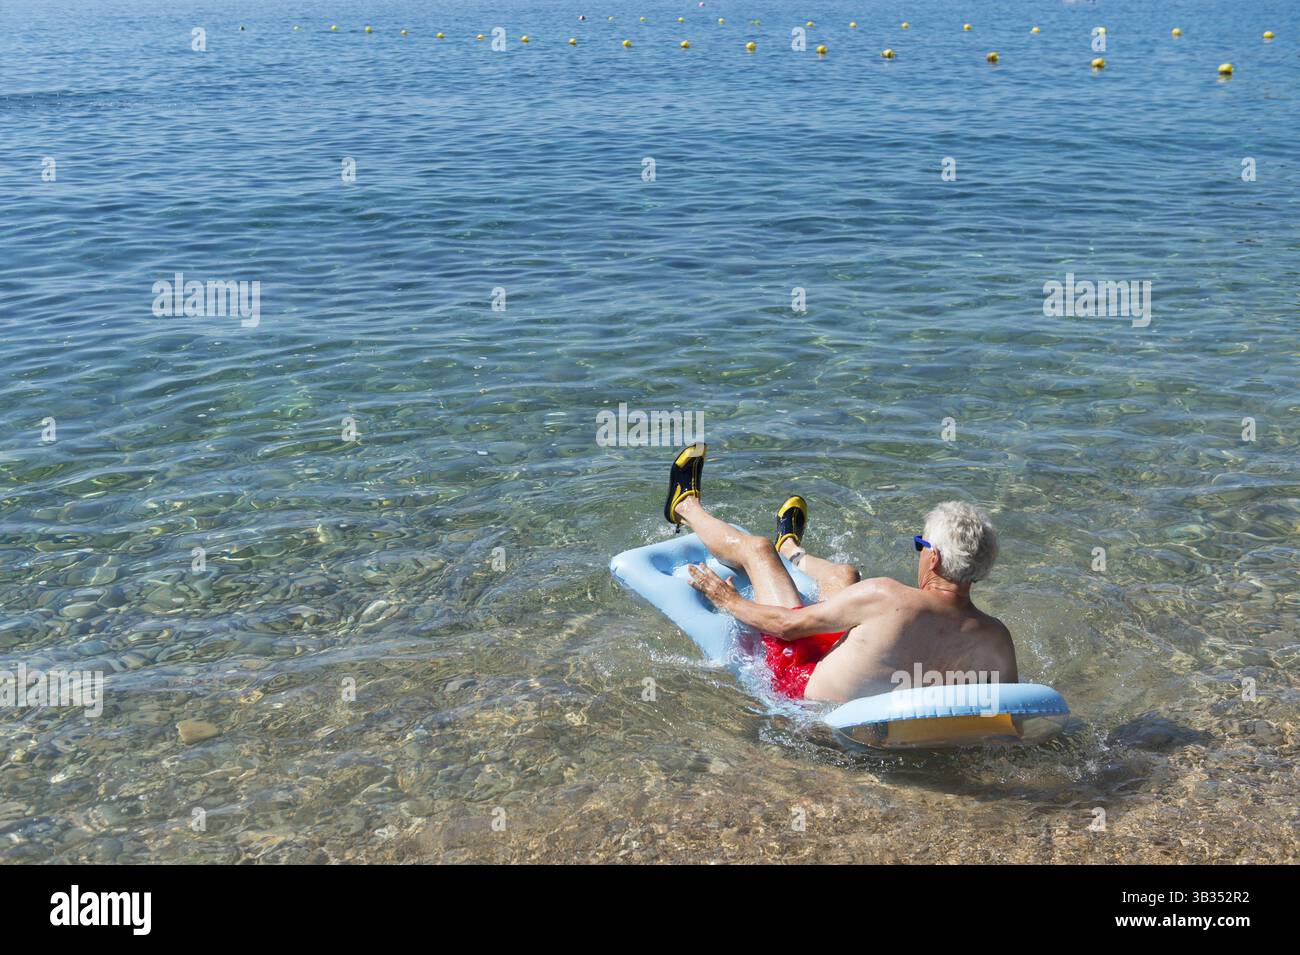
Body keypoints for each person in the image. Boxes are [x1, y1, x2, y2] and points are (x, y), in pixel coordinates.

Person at [663, 443, 1018, 703]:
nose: (919, 553)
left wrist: (730, 600)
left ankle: (684, 505)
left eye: (919, 544)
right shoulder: (997, 639)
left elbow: (786, 627)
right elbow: (1007, 713)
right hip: (865, 696)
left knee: (756, 550)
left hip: (800, 688)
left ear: (934, 559)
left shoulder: (888, 597)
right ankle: (792, 549)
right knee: (844, 575)